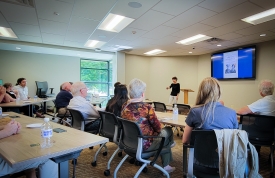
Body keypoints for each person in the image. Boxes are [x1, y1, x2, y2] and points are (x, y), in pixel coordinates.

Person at [121, 78, 176, 173]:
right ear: (142, 94)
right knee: (168, 131)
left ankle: (167, 148)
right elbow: (158, 129)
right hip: (144, 144)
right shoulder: (147, 107)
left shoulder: (124, 106)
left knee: (164, 136)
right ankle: (167, 156)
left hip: (128, 143)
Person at [182, 77, 238, 144]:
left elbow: (185, 140)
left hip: (201, 153)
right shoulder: (232, 113)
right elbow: (235, 138)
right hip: (226, 153)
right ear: (219, 92)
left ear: (201, 92)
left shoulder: (195, 111)